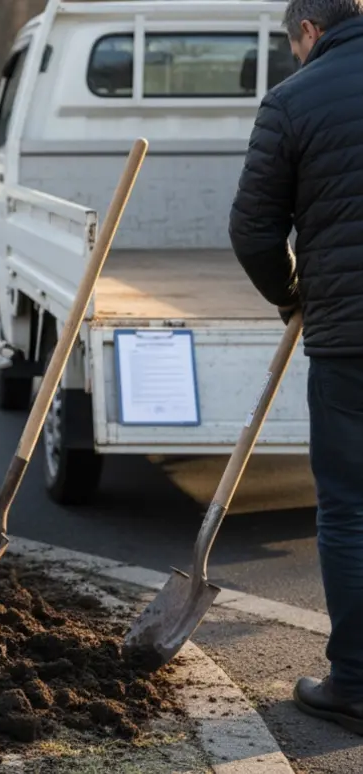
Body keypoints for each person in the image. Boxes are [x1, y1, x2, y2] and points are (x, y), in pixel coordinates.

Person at [228, 0, 363, 735]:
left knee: (349, 509)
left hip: (351, 339)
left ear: (307, 32)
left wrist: (290, 296)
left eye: (292, 46)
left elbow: (252, 229)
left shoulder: (293, 99)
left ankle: (357, 686)